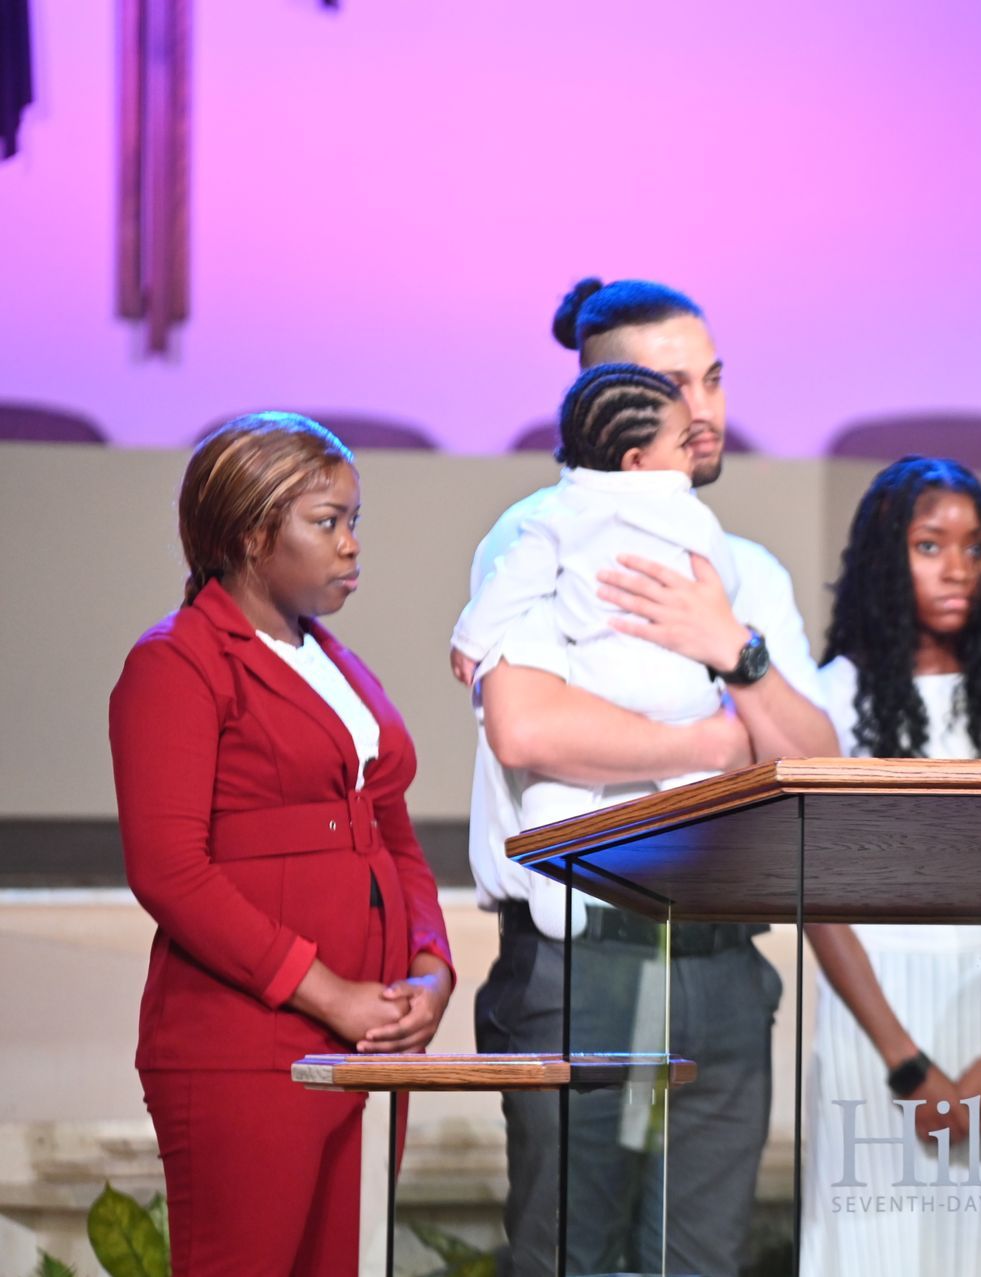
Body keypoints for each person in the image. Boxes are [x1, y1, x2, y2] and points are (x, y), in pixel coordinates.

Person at [468, 279, 837, 1277]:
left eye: (713, 378)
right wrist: (720, 744)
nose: (704, 408)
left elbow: (814, 762)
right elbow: (528, 726)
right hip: (584, 956)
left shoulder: (744, 567)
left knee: (700, 1261)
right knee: (571, 1258)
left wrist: (734, 650)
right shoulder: (541, 532)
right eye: (675, 385)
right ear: (606, 399)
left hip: (719, 961)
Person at [109, 414, 455, 1276]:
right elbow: (170, 872)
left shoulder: (336, 663)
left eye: (354, 520)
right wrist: (330, 993)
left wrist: (430, 964)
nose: (351, 544)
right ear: (252, 535)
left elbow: (393, 832)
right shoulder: (178, 662)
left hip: (365, 1038)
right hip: (247, 1045)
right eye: (327, 521)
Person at [801, 456, 981, 1277]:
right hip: (873, 1014)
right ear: (886, 557)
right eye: (930, 545)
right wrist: (905, 1062)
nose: (958, 568)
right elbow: (820, 897)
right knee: (871, 1250)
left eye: (975, 547)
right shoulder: (828, 703)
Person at [453, 363, 738, 844]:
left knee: (557, 793)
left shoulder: (557, 513)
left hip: (597, 685)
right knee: (697, 792)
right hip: (680, 691)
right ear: (636, 460)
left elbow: (510, 584)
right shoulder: (689, 511)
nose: (693, 452)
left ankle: (550, 860)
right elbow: (723, 585)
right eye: (683, 443)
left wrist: (468, 641)